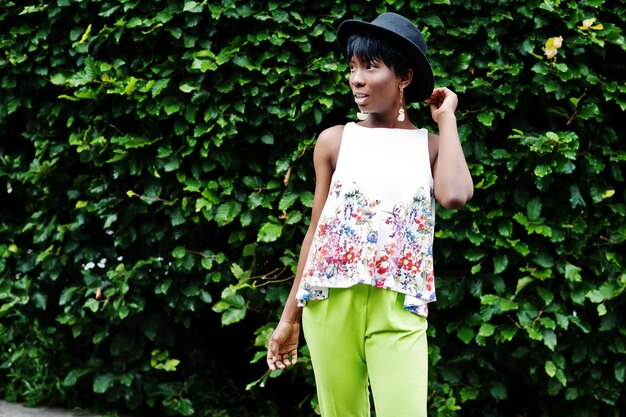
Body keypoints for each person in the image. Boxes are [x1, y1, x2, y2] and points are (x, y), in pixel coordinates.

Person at [266, 12, 473, 417]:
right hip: (330, 304)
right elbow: (316, 233)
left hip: (399, 307)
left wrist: (446, 119)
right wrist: (290, 318)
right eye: (352, 67)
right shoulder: (335, 141)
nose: (356, 79)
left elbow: (454, 195)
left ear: (405, 78)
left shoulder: (428, 147)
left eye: (371, 67)